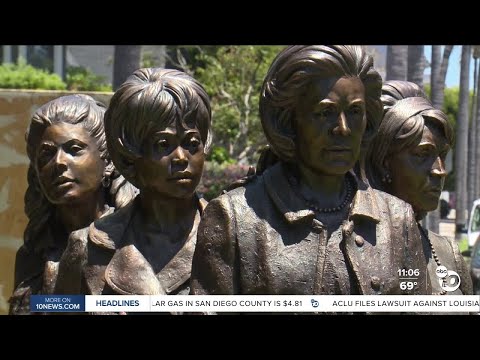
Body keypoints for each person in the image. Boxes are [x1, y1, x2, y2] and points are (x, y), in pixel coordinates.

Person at [191, 46, 430, 296]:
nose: (343, 128)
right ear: (289, 119)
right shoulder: (234, 219)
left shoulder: (398, 219)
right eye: (325, 112)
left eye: (355, 112)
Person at [54, 68, 212, 297]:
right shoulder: (87, 248)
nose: (181, 157)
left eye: (192, 143)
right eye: (163, 144)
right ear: (130, 156)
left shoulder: (231, 236)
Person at [9, 94, 137, 314]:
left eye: (74, 149)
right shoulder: (33, 255)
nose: (58, 162)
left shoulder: (134, 243)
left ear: (107, 161)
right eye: (47, 153)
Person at [366, 80, 473, 295]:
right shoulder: (353, 251)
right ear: (384, 162)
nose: (440, 171)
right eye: (423, 155)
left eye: (442, 156)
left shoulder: (448, 254)